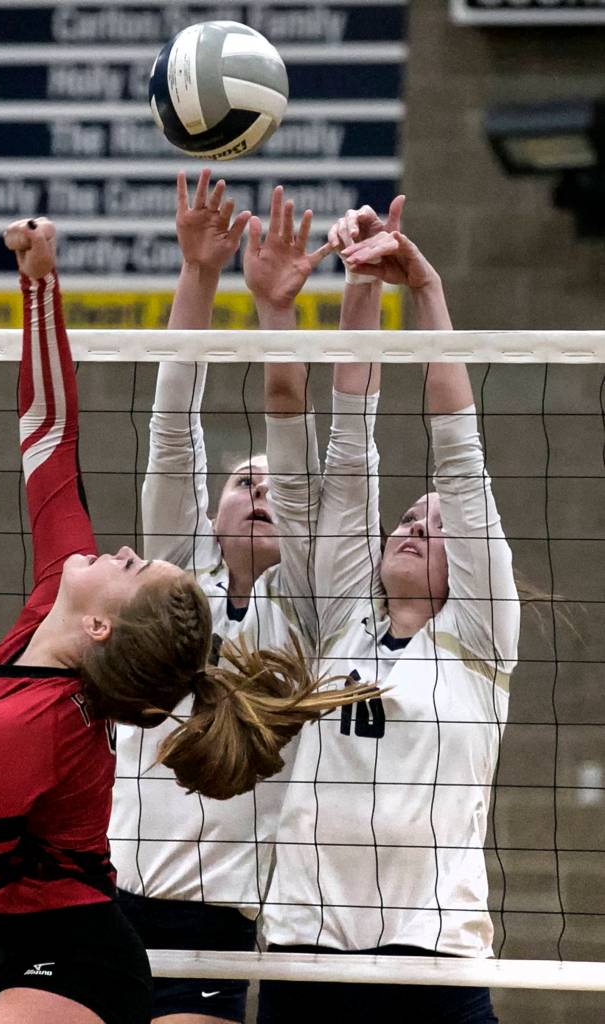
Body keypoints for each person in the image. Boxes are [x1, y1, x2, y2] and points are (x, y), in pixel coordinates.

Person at [0, 217, 377, 1024]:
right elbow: (48, 433)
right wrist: (40, 285)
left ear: (102, 629)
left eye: (130, 567)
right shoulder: (57, 595)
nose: (119, 547)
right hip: (36, 944)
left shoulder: (34, 726)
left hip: (73, 960)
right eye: (135, 555)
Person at [257, 211, 521, 1024]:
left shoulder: (477, 639)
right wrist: (359, 285)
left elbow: (459, 454)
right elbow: (348, 446)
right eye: (407, 517)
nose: (412, 526)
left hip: (429, 959)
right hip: (307, 951)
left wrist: (428, 289)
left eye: (435, 528)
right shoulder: (341, 620)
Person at [110, 171, 352, 1024]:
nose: (256, 488)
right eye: (237, 481)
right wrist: (198, 275)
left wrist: (277, 312)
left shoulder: (316, 611)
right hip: (111, 902)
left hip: (220, 920)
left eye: (269, 486)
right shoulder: (172, 590)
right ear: (209, 515)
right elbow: (172, 432)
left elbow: (293, 446)